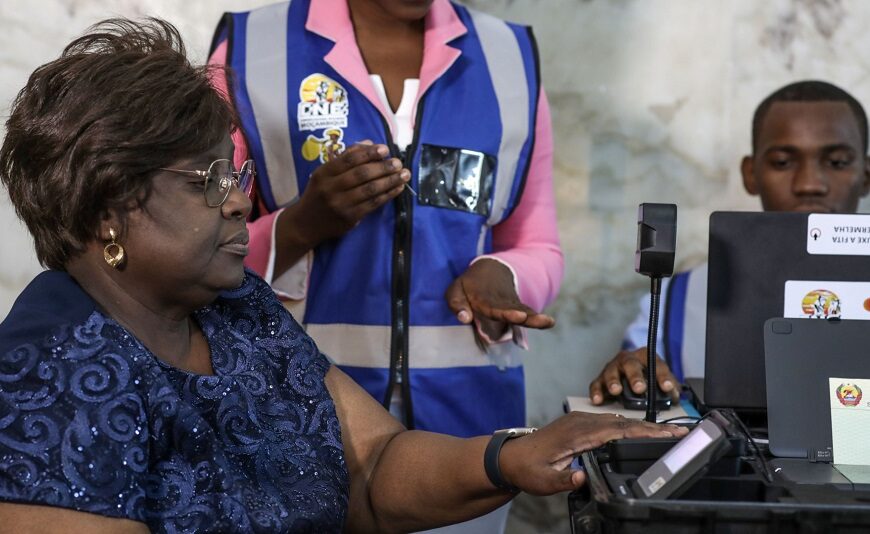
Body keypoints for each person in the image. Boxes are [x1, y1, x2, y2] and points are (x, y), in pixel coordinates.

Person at [0, 18, 686, 534]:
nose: (241, 198)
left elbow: (372, 468)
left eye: (234, 174)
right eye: (209, 180)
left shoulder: (239, 313)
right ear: (108, 209)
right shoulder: (53, 373)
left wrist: (512, 455)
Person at [208, 0, 562, 443]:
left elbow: (539, 244)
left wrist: (504, 274)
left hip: (471, 423)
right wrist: (302, 225)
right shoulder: (253, 48)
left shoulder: (507, 56)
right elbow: (203, 236)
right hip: (298, 413)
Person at [589, 80, 870, 405]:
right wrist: (633, 372)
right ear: (751, 174)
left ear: (865, 176)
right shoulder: (680, 297)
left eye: (836, 163)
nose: (809, 184)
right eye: (782, 162)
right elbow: (640, 378)